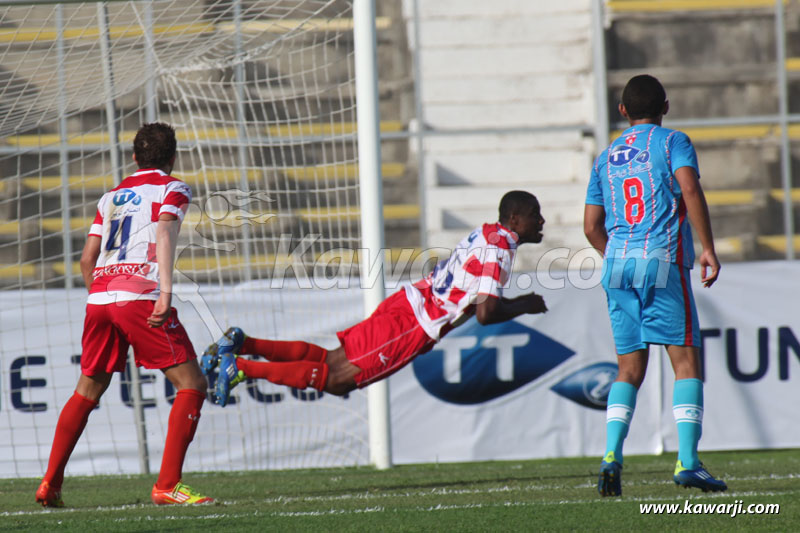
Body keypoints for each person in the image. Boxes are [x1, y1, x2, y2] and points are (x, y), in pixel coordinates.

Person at [202, 190, 548, 404]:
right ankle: (241, 369)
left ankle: (243, 343)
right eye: (535, 215)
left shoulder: (485, 232)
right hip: (412, 324)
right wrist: (524, 305)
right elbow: (487, 313)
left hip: (407, 301)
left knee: (331, 362)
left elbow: (472, 299)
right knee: (339, 381)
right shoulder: (502, 247)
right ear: (515, 219)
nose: (542, 221)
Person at [35, 123, 213, 507]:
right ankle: (167, 485)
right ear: (172, 157)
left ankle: (50, 483)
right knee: (192, 383)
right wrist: (163, 293)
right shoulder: (173, 187)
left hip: (100, 295)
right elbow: (164, 232)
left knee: (87, 390)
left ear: (134, 157)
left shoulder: (111, 196)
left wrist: (104, 298)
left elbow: (87, 258)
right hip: (140, 295)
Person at [584, 74, 726, 496]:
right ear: (666, 106)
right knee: (685, 362)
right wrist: (708, 249)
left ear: (622, 111)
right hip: (661, 261)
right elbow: (689, 188)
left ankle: (611, 455)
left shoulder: (605, 157)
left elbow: (591, 227)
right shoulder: (672, 142)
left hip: (616, 266)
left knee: (628, 369)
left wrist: (619, 256)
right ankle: (687, 461)